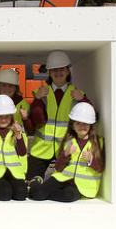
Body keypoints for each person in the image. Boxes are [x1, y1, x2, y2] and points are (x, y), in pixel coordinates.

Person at [26, 50, 90, 181]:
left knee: (65, 185)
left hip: (66, 149)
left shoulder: (77, 93)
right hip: (41, 149)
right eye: (54, 69)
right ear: (49, 72)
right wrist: (37, 99)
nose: (58, 72)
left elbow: (93, 117)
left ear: (67, 71)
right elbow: (38, 120)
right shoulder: (41, 93)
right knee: (30, 185)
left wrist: (83, 99)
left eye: (61, 68)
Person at [28, 102, 104, 202]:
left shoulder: (98, 143)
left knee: (68, 196)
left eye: (85, 123)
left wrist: (90, 159)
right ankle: (34, 182)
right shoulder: (69, 141)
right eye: (78, 123)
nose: (82, 126)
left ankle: (37, 192)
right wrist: (66, 154)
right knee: (39, 194)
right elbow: (58, 167)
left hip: (81, 186)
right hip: (63, 178)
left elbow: (101, 168)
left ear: (91, 124)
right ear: (72, 126)